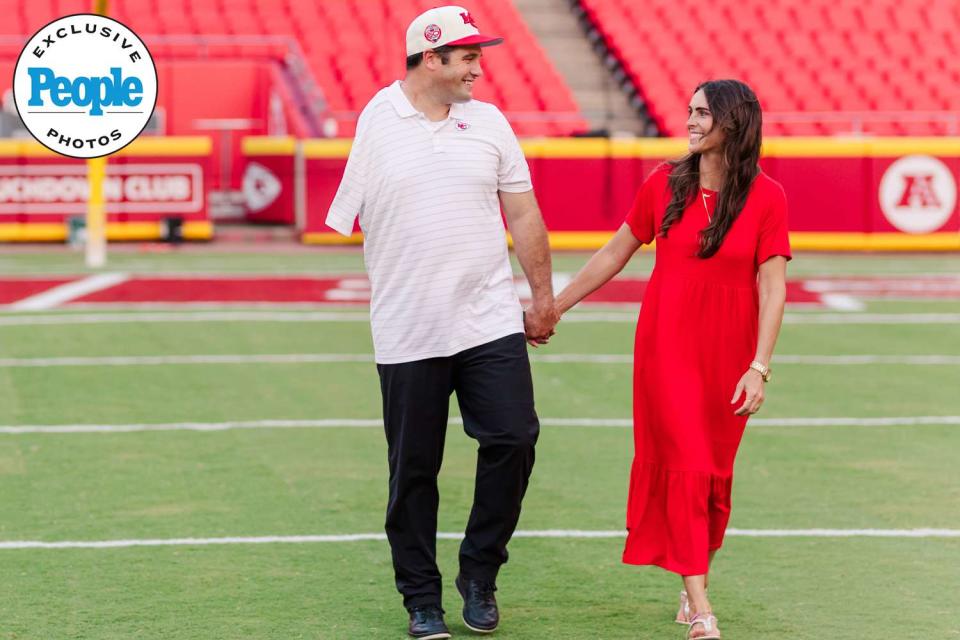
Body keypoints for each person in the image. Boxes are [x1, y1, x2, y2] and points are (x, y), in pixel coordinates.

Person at [325, 5, 558, 639]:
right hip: (408, 329)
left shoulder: (490, 123)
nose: (480, 68)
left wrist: (542, 298)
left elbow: (525, 214)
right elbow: (348, 215)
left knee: (514, 438)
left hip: (488, 321)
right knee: (413, 471)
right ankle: (421, 599)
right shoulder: (378, 119)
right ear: (432, 57)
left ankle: (480, 573)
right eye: (469, 56)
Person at [555, 79, 790, 640]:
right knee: (683, 464)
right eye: (689, 110)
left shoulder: (767, 196)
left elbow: (773, 287)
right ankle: (700, 603)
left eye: (702, 112)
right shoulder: (664, 182)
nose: (690, 120)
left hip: (729, 352)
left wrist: (759, 366)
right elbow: (617, 250)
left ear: (733, 122)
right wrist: (555, 306)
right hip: (667, 346)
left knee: (712, 475)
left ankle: (691, 579)